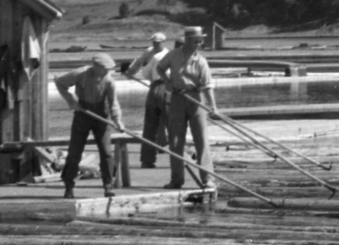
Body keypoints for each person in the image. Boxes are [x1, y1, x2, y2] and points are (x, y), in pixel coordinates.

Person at [155, 26, 218, 189]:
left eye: (200, 41)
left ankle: (208, 179)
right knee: (176, 140)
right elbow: (160, 68)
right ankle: (176, 179)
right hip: (177, 98)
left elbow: (208, 85)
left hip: (196, 99)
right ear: (188, 40)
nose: (199, 44)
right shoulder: (173, 55)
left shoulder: (201, 61)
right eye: (196, 41)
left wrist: (213, 106)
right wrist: (168, 81)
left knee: (201, 139)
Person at [55, 52, 123, 199]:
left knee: (106, 152)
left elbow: (113, 103)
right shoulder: (81, 73)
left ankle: (108, 186)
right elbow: (59, 82)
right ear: (96, 66)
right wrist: (71, 101)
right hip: (82, 113)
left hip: (101, 115)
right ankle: (68, 186)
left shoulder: (109, 81)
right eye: (105, 68)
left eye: (109, 68)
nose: (107, 71)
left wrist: (118, 120)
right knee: (75, 152)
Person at [125, 32, 170, 168]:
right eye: (154, 42)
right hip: (155, 86)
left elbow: (145, 71)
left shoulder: (165, 55)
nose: (155, 44)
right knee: (150, 125)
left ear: (163, 42)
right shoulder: (149, 51)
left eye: (158, 42)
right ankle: (147, 159)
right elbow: (139, 62)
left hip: (164, 86)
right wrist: (130, 72)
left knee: (171, 124)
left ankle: (180, 158)